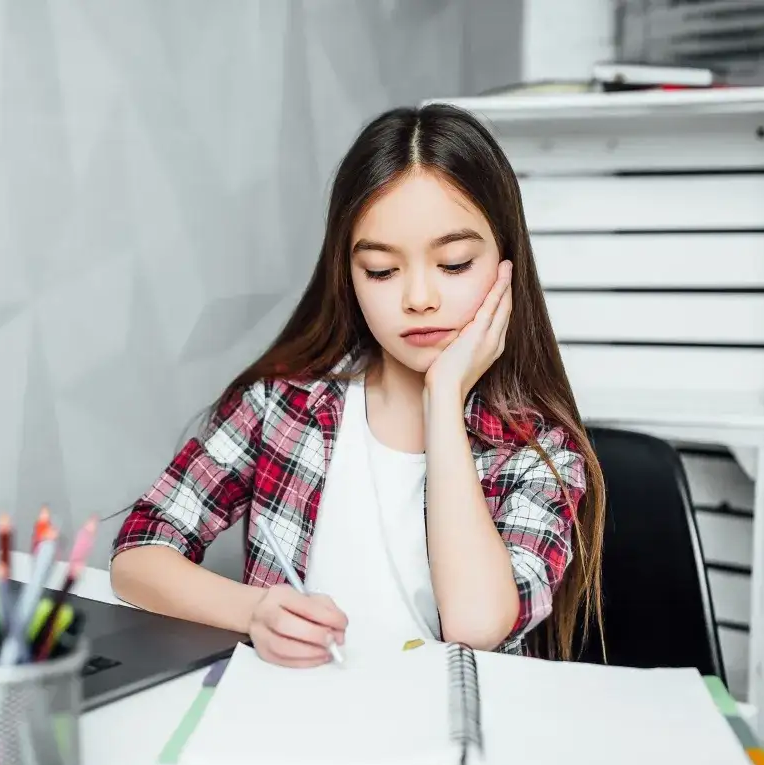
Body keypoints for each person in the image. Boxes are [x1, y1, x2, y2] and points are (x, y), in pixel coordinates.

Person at [109, 103, 606, 667]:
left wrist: (444, 400)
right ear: (348, 275)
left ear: (506, 266)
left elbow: (476, 625)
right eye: (382, 271)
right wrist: (253, 611)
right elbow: (138, 553)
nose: (419, 298)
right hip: (295, 732)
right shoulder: (286, 405)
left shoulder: (539, 453)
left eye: (454, 264)